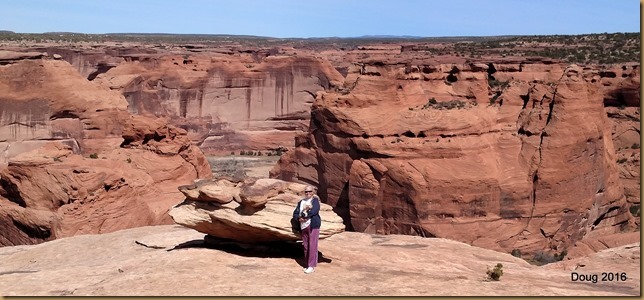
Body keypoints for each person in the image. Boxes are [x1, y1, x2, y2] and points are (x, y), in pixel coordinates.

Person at [292, 185, 321, 274]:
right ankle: (308, 264)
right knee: (305, 246)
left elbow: (314, 211)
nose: (308, 193)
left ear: (313, 192)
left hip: (313, 225)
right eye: (306, 192)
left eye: (310, 191)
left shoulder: (315, 201)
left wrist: (304, 216)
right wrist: (298, 218)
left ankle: (311, 266)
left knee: (312, 245)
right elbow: (295, 213)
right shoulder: (301, 202)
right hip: (303, 226)